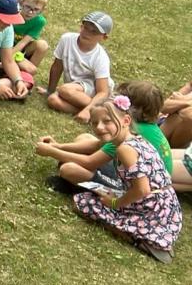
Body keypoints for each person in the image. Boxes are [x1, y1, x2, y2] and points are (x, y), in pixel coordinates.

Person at [70, 97, 182, 263]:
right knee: (95, 197)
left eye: (107, 121)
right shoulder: (137, 139)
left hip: (152, 210)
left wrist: (115, 203)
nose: (99, 127)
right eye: (94, 123)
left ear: (126, 120)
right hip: (169, 209)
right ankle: (151, 235)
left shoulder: (124, 149)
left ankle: (137, 238)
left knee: (83, 203)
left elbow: (142, 190)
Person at [37, 80, 174, 192]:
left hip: (135, 190)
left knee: (69, 169)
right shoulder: (146, 126)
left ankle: (85, 188)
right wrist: (59, 146)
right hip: (134, 176)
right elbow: (98, 145)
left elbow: (89, 162)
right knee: (84, 137)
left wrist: (52, 152)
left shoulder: (133, 131)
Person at [46, 11, 113, 121]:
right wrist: (50, 90)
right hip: (75, 88)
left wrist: (87, 109)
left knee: (65, 90)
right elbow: (57, 67)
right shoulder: (66, 39)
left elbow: (103, 92)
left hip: (94, 90)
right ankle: (95, 113)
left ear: (104, 37)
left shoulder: (101, 57)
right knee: (52, 100)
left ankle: (98, 109)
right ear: (81, 26)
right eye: (85, 28)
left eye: (94, 32)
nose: (87, 33)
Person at [12, 0, 51, 79]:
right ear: (22, 3)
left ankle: (25, 76)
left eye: (36, 9)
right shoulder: (13, 13)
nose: (30, 12)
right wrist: (7, 58)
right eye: (28, 7)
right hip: (4, 47)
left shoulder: (39, 21)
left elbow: (24, 42)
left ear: (42, 10)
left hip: (21, 50)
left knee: (43, 45)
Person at [160, 78, 192, 149]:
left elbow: (188, 115)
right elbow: (164, 107)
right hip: (164, 126)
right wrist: (187, 102)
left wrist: (180, 101)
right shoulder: (190, 86)